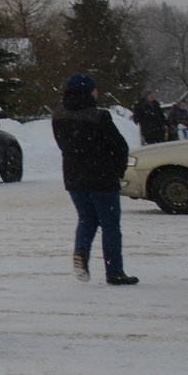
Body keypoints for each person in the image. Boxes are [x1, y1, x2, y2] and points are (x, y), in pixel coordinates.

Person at [52, 74, 139, 287]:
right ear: (89, 91)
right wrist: (117, 170)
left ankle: (81, 252)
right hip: (102, 177)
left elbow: (62, 145)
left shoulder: (58, 116)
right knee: (110, 225)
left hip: (74, 176)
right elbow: (119, 146)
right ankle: (114, 271)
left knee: (86, 219)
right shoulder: (99, 116)